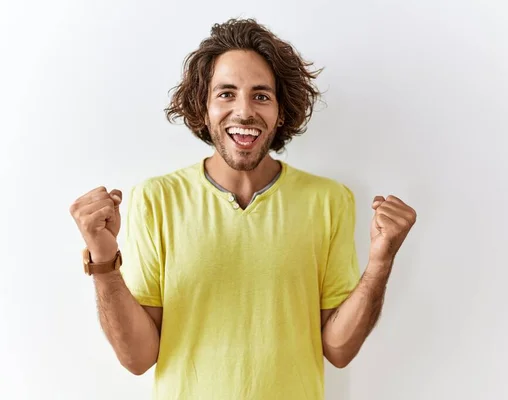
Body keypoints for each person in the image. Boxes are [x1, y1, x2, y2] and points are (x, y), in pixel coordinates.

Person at [69, 18, 416, 400]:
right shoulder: (157, 199)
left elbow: (337, 349)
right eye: (226, 94)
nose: (244, 111)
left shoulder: (329, 201)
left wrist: (381, 262)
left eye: (261, 96)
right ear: (203, 108)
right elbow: (137, 358)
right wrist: (103, 262)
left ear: (281, 112)